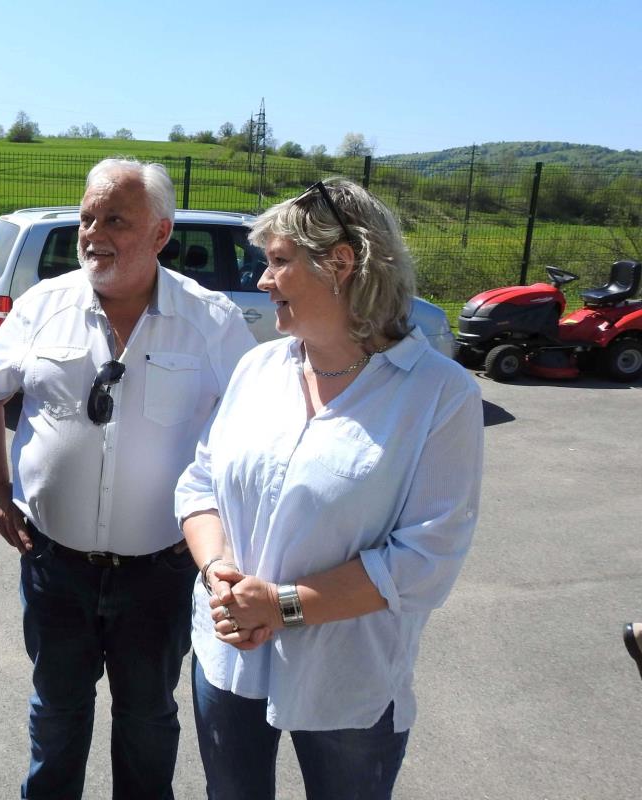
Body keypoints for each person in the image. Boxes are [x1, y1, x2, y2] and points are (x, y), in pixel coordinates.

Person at [175, 178, 484, 800]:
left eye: (278, 261)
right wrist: (217, 573)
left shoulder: (439, 393)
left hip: (348, 682)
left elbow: (425, 561)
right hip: (228, 653)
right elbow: (199, 483)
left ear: (340, 263)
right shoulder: (259, 367)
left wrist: (280, 606)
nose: (263, 280)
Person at [0, 158, 256, 799]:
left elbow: (250, 430)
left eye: (115, 221)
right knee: (56, 715)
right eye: (87, 219)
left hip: (161, 572)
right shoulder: (43, 306)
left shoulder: (211, 321)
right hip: (55, 567)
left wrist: (224, 534)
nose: (93, 234)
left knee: (147, 720)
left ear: (160, 233)